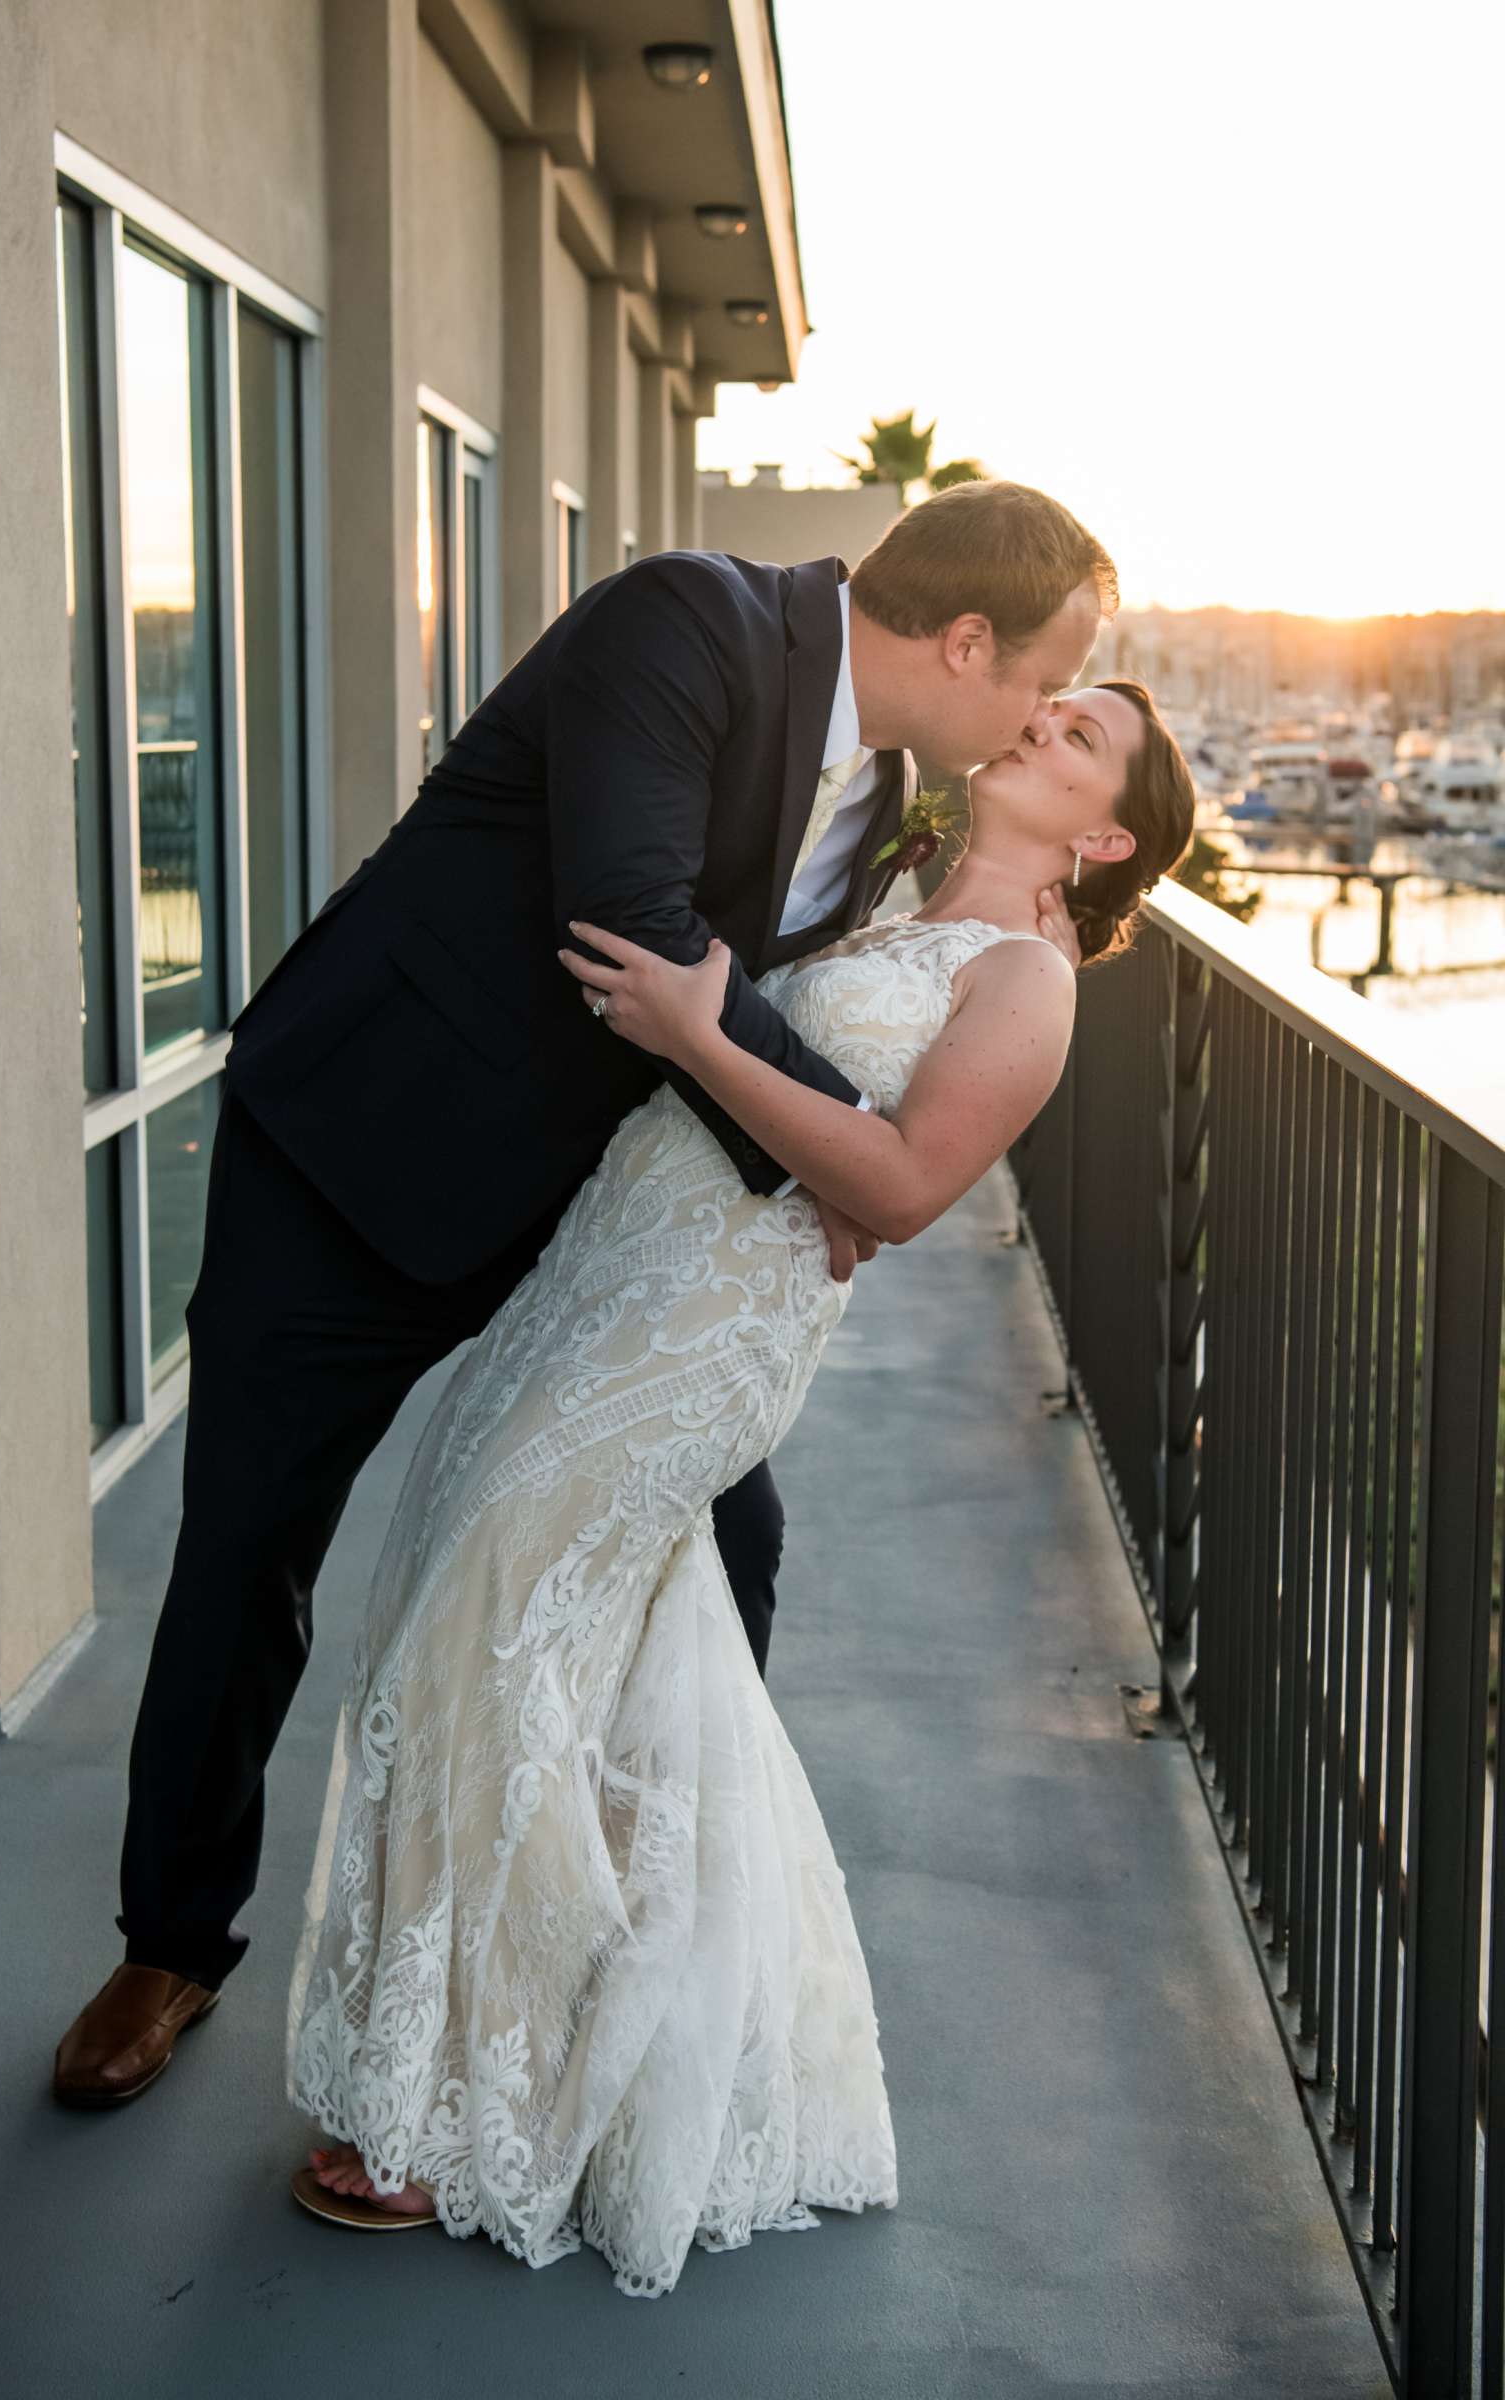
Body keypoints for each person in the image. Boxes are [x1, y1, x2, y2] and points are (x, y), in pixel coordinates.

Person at [52, 481, 1113, 2115]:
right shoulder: (688, 619)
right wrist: (829, 1157)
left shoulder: (900, 785)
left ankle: (655, 1945)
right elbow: (631, 919)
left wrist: (832, 1148)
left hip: (598, 1219)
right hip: (365, 1154)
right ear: (966, 641)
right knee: (250, 1545)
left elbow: (751, 995)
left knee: (726, 1539)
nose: (1049, 709)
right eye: (1050, 672)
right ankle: (171, 1943)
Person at [284, 675, 1197, 2292]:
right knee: (525, 1620)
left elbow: (908, 1186)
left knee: (483, 1626)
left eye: (1074, 737)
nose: (1032, 726)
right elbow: (829, 1119)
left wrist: (716, 1041)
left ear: (1108, 834)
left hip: (708, 1330)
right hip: (608, 1263)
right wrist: (779, 1098)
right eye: (1043, 706)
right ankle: (581, 2024)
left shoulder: (1028, 981)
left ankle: (454, 2104)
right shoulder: (879, 896)